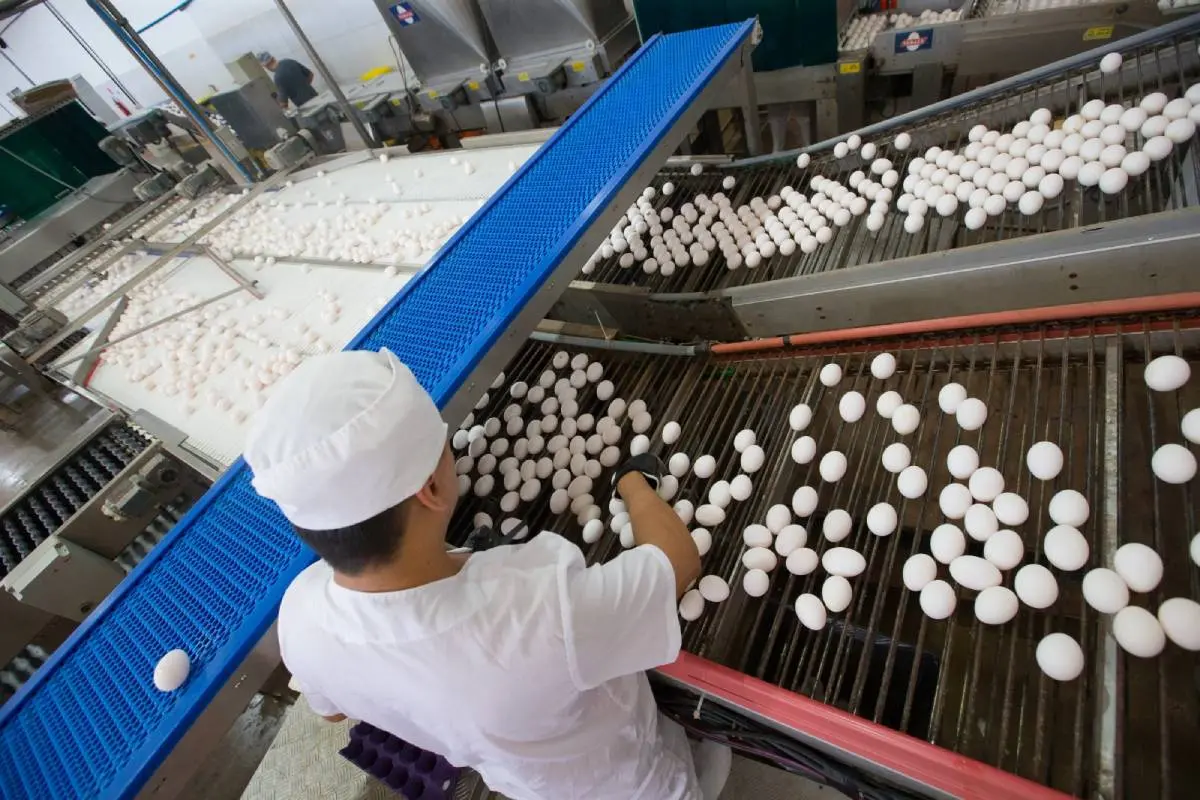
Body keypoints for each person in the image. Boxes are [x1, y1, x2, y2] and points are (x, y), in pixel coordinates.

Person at [244, 348, 731, 799]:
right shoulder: (539, 609)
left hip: (533, 784)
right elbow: (677, 562)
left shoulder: (300, 619)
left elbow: (329, 709)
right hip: (632, 778)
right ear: (431, 489)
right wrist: (633, 484)